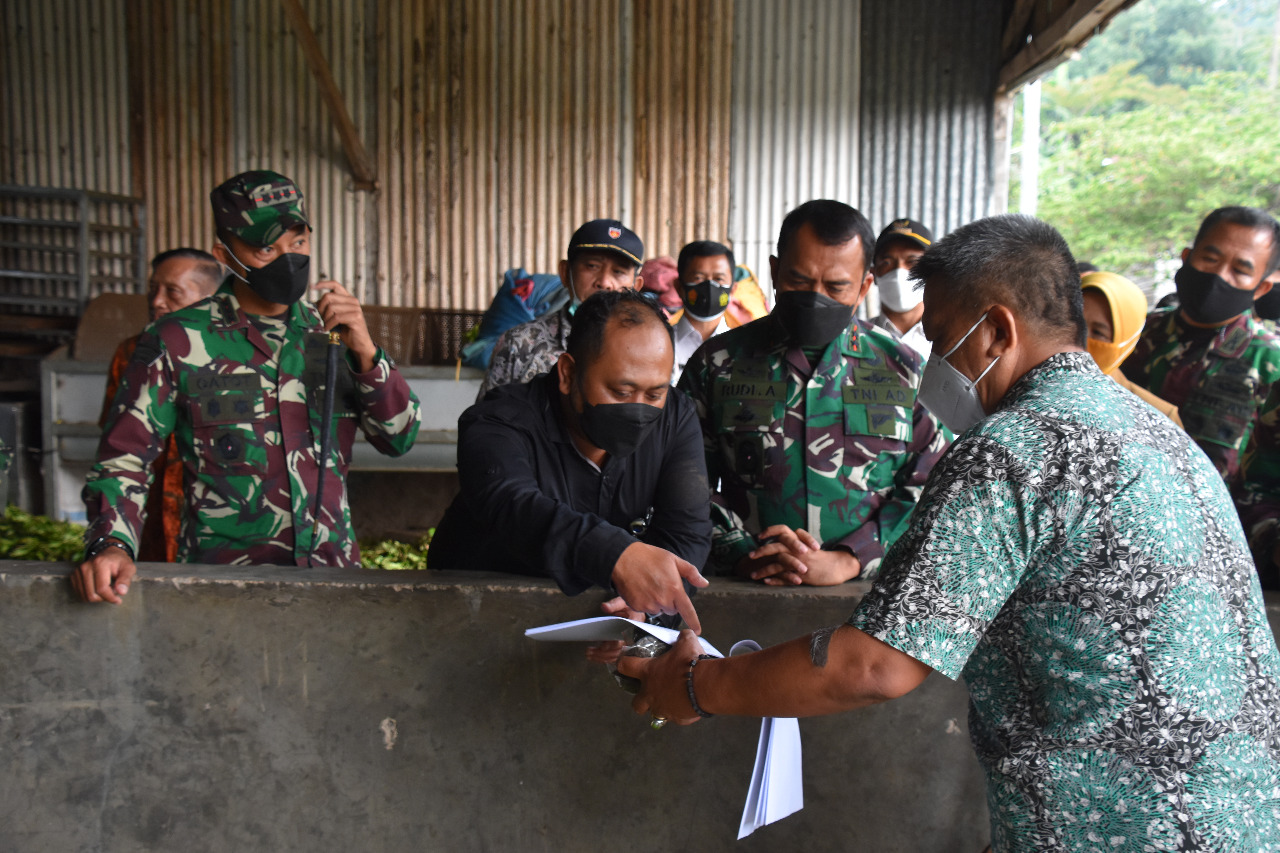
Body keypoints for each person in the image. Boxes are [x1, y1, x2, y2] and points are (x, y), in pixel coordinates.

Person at [622, 214, 1280, 851]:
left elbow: (875, 665)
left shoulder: (1015, 446)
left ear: (996, 330)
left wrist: (694, 687)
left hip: (1117, 828)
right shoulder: (1161, 436)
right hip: (1240, 818)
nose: (933, 360)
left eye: (940, 336)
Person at [74, 170, 421, 603]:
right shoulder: (177, 340)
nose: (287, 258)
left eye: (297, 242)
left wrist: (367, 353)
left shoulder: (333, 333)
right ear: (226, 253)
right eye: (265, 247)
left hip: (332, 584)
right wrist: (110, 544)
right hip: (221, 589)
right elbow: (124, 459)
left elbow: (400, 437)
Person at [677, 200, 948, 586]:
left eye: (836, 286)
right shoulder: (717, 364)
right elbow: (682, 476)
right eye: (799, 282)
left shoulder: (904, 370)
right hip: (743, 591)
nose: (815, 297)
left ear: (865, 286)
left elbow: (933, 484)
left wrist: (852, 558)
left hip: (867, 604)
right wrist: (741, 552)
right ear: (774, 271)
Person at [430, 290, 711, 630]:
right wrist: (616, 554)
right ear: (566, 373)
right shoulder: (498, 422)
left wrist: (647, 610)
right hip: (474, 619)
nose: (638, 409)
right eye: (621, 392)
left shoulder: (675, 416)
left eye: (654, 393)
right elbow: (511, 503)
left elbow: (687, 531)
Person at [1121, 206, 1280, 484]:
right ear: (1186, 257)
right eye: (1210, 258)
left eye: (1240, 270)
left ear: (1262, 288)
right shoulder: (1131, 332)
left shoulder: (1269, 364)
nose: (1219, 275)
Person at [97, 248, 224, 562]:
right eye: (153, 289)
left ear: (209, 299)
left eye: (173, 292)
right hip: (145, 519)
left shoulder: (231, 358)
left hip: (212, 523)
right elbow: (116, 449)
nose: (156, 301)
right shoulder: (131, 354)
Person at [479, 219, 643, 399]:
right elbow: (485, 421)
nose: (604, 282)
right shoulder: (520, 344)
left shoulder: (647, 349)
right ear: (565, 272)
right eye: (592, 266)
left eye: (618, 271)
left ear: (636, 285)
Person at [1079, 270, 1183, 426]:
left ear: (1126, 341)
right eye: (1074, 323)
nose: (1079, 338)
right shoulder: (1033, 388)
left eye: (1098, 332)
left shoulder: (1157, 417)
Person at [670, 240, 734, 383]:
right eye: (698, 278)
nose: (709, 286)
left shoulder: (743, 348)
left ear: (733, 289)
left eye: (719, 279)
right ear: (679, 287)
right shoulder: (658, 343)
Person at [868, 218, 932, 359]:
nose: (899, 271)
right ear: (873, 273)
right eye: (887, 262)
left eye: (912, 262)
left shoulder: (949, 340)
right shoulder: (857, 338)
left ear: (931, 272)